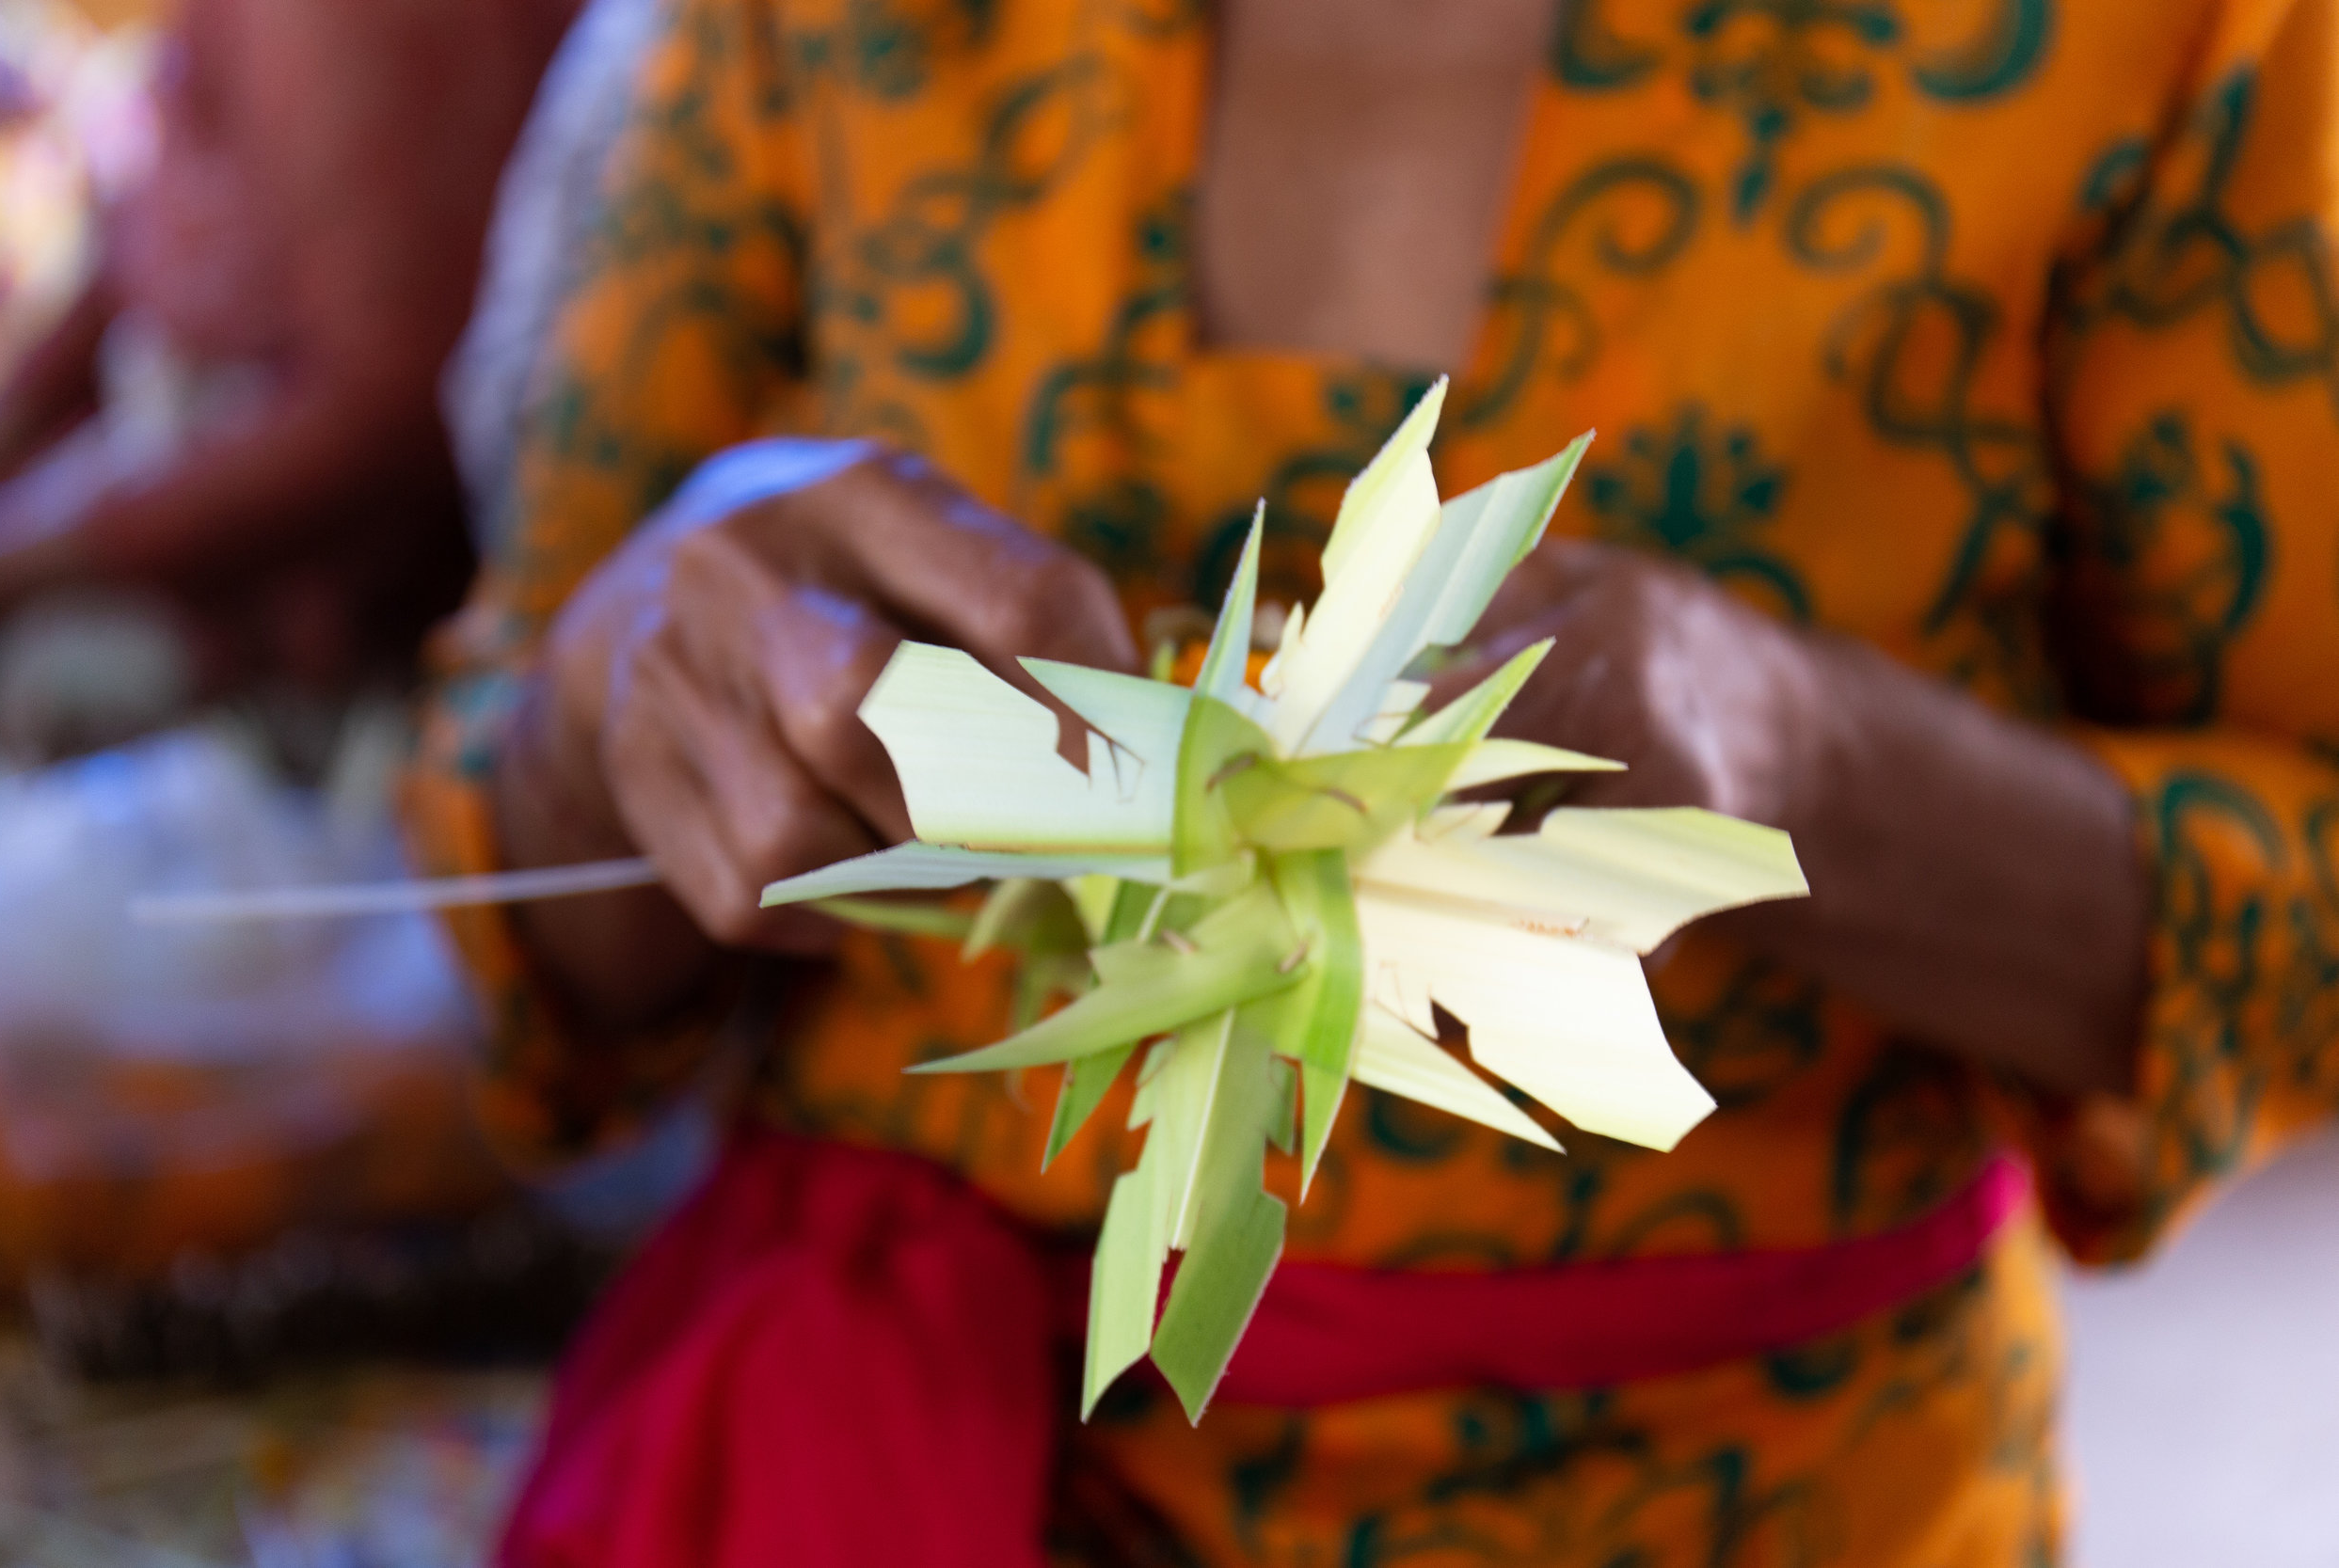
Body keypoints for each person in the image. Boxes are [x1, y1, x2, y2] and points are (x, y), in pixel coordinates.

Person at [406, 0, 2339, 1560]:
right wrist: (616, 692)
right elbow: (497, 877)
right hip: (862, 1465)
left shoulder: (2154, 40)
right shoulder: (797, 31)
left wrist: (1807, 763)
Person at [0, 0, 579, 694]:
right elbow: (141, 240)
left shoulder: (341, 24)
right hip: (174, 541)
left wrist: (22, 569)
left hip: (351, 655)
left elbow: (388, 412)